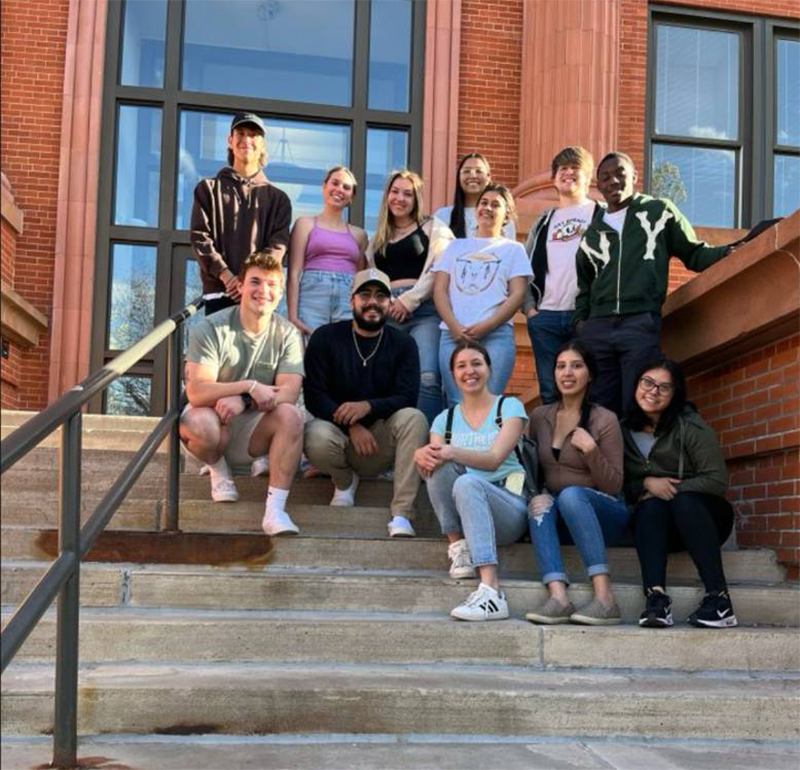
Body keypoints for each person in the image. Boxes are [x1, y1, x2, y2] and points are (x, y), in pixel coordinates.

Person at [573, 151, 739, 416]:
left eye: (620, 174)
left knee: (637, 401)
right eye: (605, 177)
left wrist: (728, 252)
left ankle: (635, 458)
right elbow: (584, 285)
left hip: (639, 322)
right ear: (599, 186)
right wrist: (582, 324)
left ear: (635, 177)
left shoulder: (659, 211)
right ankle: (606, 458)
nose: (614, 181)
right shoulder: (591, 232)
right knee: (599, 407)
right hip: (597, 328)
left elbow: (694, 254)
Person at [180, 251, 304, 536]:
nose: (264, 291)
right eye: (256, 282)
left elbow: (289, 391)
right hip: (213, 421)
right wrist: (247, 386)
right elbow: (197, 391)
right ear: (241, 286)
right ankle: (217, 466)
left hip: (254, 427)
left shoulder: (287, 334)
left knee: (292, 416)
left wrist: (243, 400)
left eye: (272, 284)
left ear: (281, 292)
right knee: (199, 422)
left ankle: (275, 512)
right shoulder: (211, 327)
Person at [303, 267, 429, 538]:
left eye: (381, 296)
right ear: (352, 301)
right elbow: (314, 395)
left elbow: (407, 396)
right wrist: (352, 425)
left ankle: (402, 514)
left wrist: (367, 407)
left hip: (379, 443)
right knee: (314, 434)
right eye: (365, 295)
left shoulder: (404, 343)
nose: (373, 302)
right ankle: (345, 481)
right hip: (338, 439)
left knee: (414, 418)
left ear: (389, 303)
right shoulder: (325, 337)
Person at [414, 340, 529, 622]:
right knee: (435, 462)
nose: (470, 371)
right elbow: (434, 468)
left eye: (477, 363)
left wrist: (452, 451)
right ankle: (459, 547)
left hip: (508, 508)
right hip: (465, 514)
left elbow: (493, 459)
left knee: (466, 481)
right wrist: (421, 456)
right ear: (452, 374)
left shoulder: (509, 407)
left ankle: (491, 591)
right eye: (461, 366)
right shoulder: (444, 420)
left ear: (489, 369)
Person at [622, 359, 737, 629]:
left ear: (675, 394)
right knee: (650, 508)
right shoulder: (622, 430)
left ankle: (719, 599)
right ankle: (656, 600)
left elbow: (717, 480)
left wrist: (670, 489)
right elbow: (618, 482)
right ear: (636, 385)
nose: (653, 391)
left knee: (682, 501)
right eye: (647, 383)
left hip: (704, 518)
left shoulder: (691, 426)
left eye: (664, 387)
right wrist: (646, 484)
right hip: (659, 525)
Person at [524, 340, 628, 626]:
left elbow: (614, 485)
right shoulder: (539, 416)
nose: (567, 373)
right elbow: (528, 467)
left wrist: (593, 451)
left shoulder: (604, 419)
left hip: (604, 514)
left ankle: (605, 599)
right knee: (539, 504)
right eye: (561, 366)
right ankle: (558, 597)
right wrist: (537, 494)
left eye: (576, 366)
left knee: (571, 495)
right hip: (563, 516)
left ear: (590, 374)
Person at [365, 170, 454, 424]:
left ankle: (427, 444)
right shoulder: (377, 238)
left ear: (416, 200)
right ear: (387, 196)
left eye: (408, 193)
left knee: (427, 377)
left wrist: (410, 300)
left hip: (423, 310)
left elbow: (441, 268)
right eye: (395, 192)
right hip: (387, 313)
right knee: (385, 379)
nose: (400, 198)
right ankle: (393, 444)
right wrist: (387, 302)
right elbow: (372, 277)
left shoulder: (433, 227)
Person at [432, 184, 531, 405]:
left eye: (495, 204)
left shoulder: (514, 249)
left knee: (489, 403)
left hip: (495, 336)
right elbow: (439, 290)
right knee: (457, 403)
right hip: (452, 335)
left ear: (507, 215)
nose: (487, 208)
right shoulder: (454, 246)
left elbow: (518, 294)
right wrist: (454, 326)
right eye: (483, 203)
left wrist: (490, 324)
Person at [191, 112, 292, 316]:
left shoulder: (279, 199)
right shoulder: (207, 189)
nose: (246, 139)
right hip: (219, 295)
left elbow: (277, 246)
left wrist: (248, 282)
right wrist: (227, 276)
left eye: (253, 135)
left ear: (263, 145)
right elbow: (200, 239)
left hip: (259, 298)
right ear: (230, 141)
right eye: (241, 133)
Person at [524, 146, 603, 404]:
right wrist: (530, 310)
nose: (568, 172)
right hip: (545, 316)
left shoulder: (601, 214)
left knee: (593, 387)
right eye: (562, 168)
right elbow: (525, 268)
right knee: (550, 391)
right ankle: (553, 444)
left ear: (588, 176)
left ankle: (585, 442)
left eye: (575, 167)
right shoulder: (544, 220)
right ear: (554, 178)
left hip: (586, 315)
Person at [286, 167, 368, 336]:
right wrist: (293, 316)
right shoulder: (304, 224)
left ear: (351, 197)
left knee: (344, 354)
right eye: (335, 183)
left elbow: (361, 280)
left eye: (346, 187)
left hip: (348, 299)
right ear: (324, 187)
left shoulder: (360, 235)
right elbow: (293, 273)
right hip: (311, 298)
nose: (339, 189)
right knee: (310, 354)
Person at [434, 153, 516, 239]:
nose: (473, 175)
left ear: (488, 177)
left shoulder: (501, 217)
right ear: (459, 177)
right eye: (466, 171)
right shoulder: (442, 216)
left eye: (479, 171)